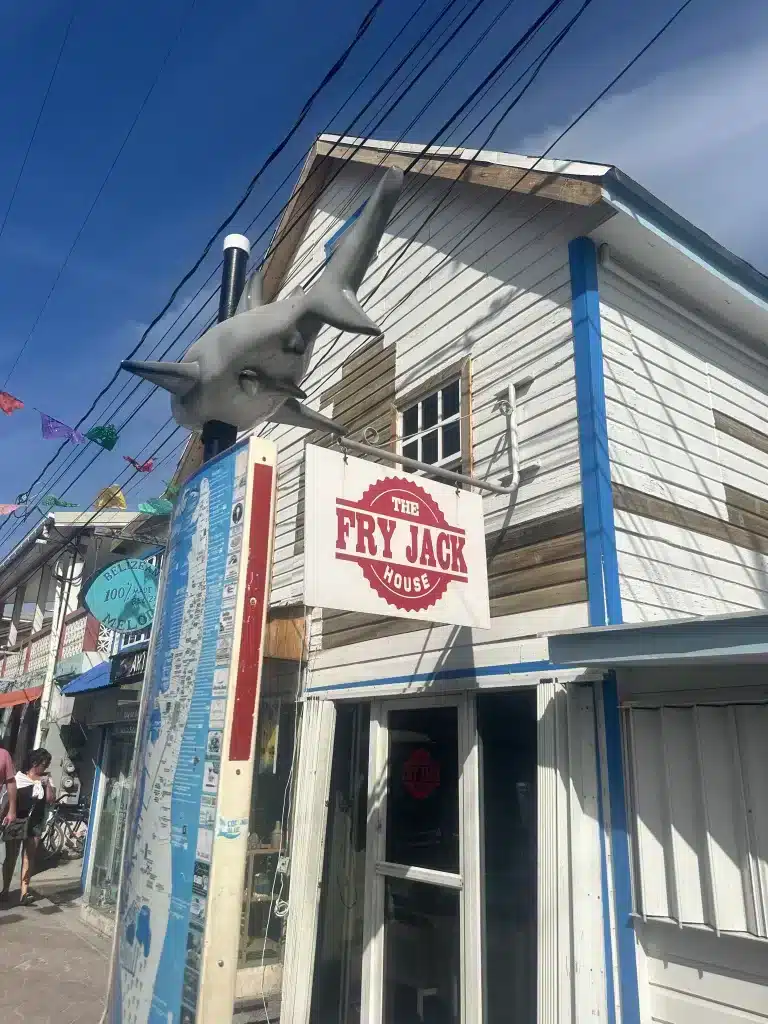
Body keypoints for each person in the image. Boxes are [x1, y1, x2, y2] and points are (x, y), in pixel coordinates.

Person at [1, 748, 55, 905]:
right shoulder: (19, 778)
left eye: (47, 765)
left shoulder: (46, 780)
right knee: (11, 857)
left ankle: (24, 892)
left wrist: (47, 786)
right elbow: (7, 799)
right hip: (17, 821)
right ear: (34, 763)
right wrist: (5, 817)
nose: (45, 768)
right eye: (44, 764)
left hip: (35, 823)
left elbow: (51, 799)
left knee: (29, 856)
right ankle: (5, 889)